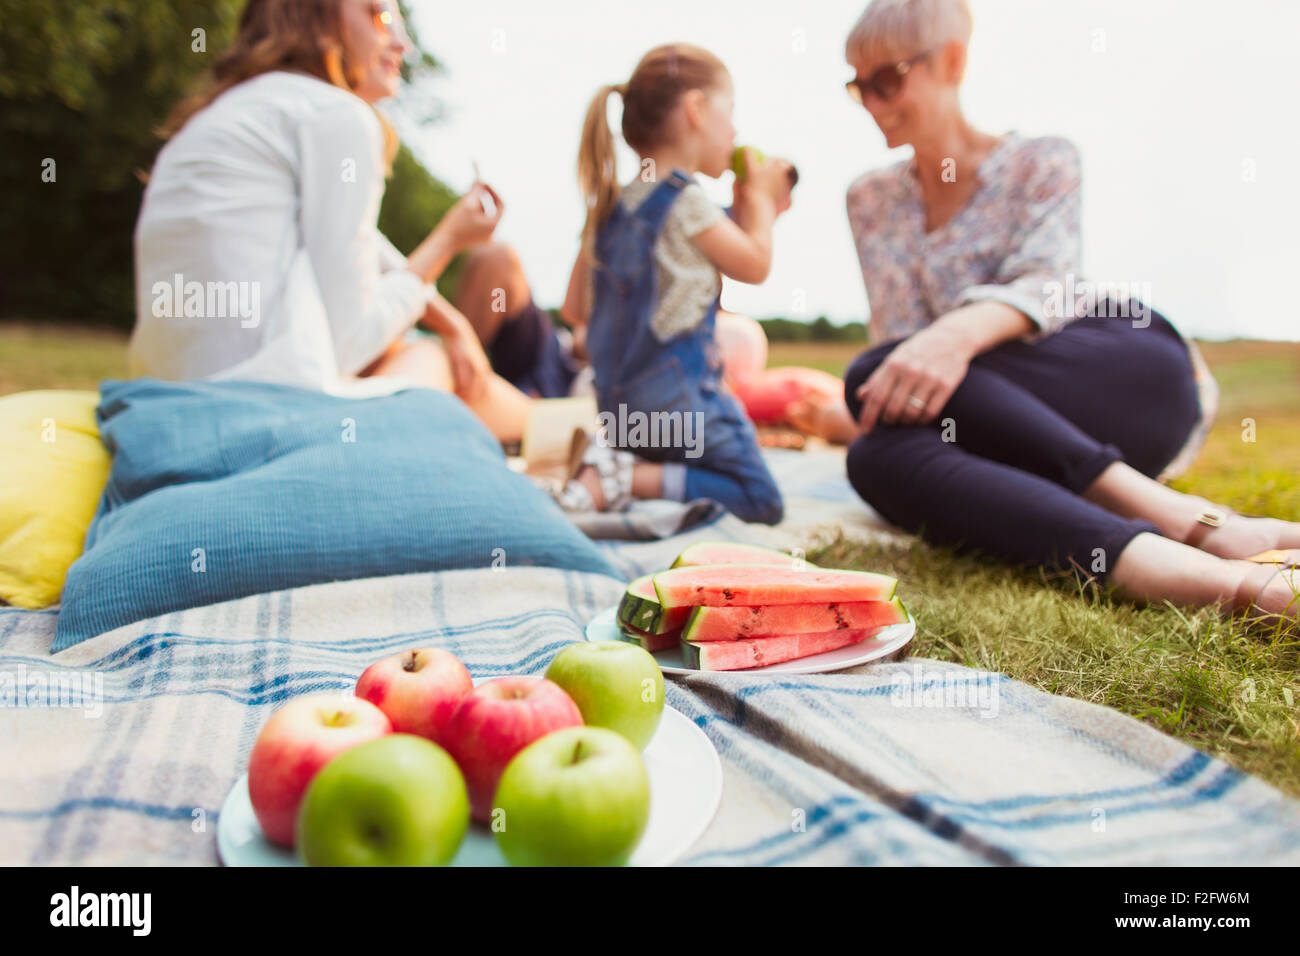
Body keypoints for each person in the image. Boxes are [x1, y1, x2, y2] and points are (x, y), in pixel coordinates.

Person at [840, 0, 1298, 622]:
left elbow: (1048, 286)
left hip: (1114, 372)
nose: (871, 100)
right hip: (995, 417)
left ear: (951, 60)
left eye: (886, 79)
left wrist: (954, 335)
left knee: (870, 374)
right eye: (856, 84)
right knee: (875, 451)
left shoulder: (1044, 158)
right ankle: (1206, 578)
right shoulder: (869, 199)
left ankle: (1179, 516)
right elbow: (903, 354)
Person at [130, 0, 532, 442]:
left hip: (175, 408)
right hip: (263, 422)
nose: (403, 41)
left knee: (408, 345)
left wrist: (452, 320)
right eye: (379, 14)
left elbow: (364, 247)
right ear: (316, 16)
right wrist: (449, 240)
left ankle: (561, 430)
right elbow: (350, 342)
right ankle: (564, 433)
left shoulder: (226, 119)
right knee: (434, 359)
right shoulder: (337, 117)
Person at [552, 43, 793, 524]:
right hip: (683, 406)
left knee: (674, 452)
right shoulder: (690, 204)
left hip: (622, 415)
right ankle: (626, 477)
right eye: (731, 112)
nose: (736, 130)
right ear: (697, 109)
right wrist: (762, 203)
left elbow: (573, 308)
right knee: (759, 496)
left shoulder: (608, 207)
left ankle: (620, 464)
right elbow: (756, 264)